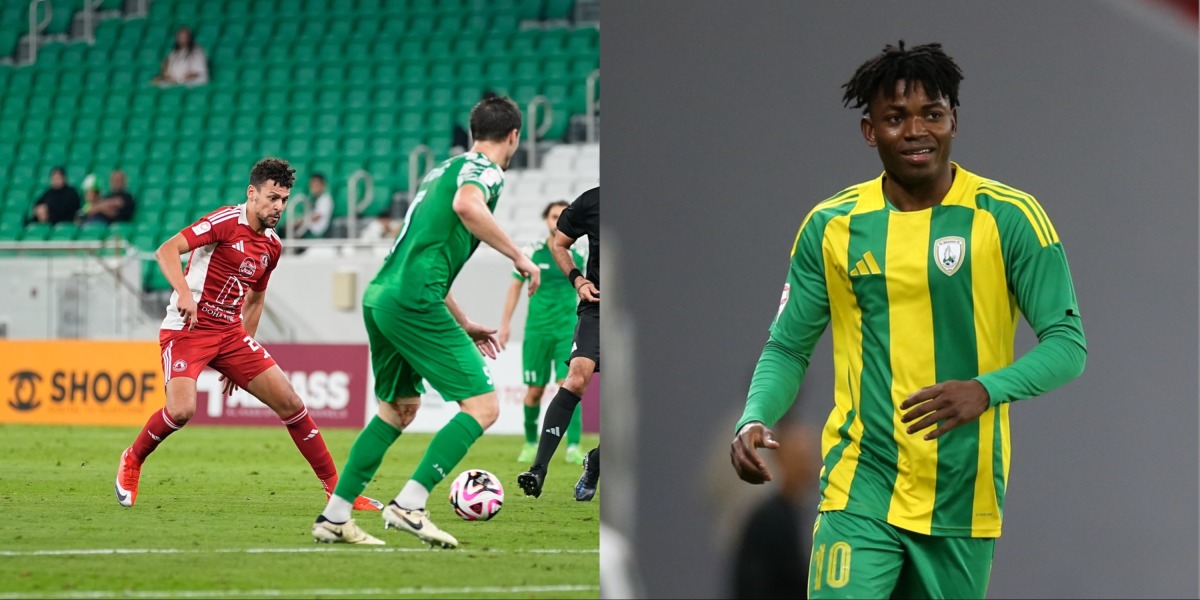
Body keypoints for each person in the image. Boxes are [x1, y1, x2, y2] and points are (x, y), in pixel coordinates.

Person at [728, 42, 1087, 599]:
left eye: (932, 114)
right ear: (870, 131)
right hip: (860, 487)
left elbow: (1068, 344)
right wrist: (754, 416)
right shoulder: (832, 226)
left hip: (962, 499)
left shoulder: (1009, 217)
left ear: (953, 122)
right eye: (896, 118)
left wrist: (985, 390)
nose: (917, 131)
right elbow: (788, 347)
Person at [312, 95, 538, 547]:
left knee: (398, 409)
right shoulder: (486, 171)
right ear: (514, 136)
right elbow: (468, 206)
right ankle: (410, 504)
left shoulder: (442, 169)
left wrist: (463, 320)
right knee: (484, 407)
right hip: (413, 299)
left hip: (383, 294)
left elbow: (424, 250)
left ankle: (334, 517)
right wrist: (519, 255)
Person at [114, 158, 381, 514]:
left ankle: (338, 492)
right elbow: (166, 250)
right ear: (252, 193)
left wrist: (244, 347)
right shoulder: (226, 221)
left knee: (292, 403)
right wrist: (184, 293)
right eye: (272, 198)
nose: (279, 207)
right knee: (181, 410)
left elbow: (255, 299)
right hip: (189, 330)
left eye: (284, 200)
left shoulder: (272, 246)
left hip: (230, 335)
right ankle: (132, 458)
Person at [517, 186, 599, 501]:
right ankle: (538, 469)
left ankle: (595, 461)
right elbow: (560, 242)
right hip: (597, 307)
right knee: (574, 380)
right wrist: (578, 279)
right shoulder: (592, 201)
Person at [498, 200, 588, 465]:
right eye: (553, 216)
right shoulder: (531, 252)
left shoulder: (580, 254)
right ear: (546, 220)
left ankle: (573, 446)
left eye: (562, 216)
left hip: (567, 330)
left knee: (569, 387)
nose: (557, 220)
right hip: (537, 331)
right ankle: (529, 443)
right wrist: (505, 324)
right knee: (535, 391)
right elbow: (514, 287)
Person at [730, 421, 820, 599]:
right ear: (781, 460)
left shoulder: (803, 515)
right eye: (799, 459)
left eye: (809, 459)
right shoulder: (768, 519)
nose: (807, 467)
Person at [293, 173, 333, 240]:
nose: (314, 187)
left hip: (317, 232)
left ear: (323, 185)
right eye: (312, 185)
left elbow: (317, 217)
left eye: (317, 185)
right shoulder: (310, 198)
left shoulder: (326, 199)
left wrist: (300, 221)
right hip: (306, 228)